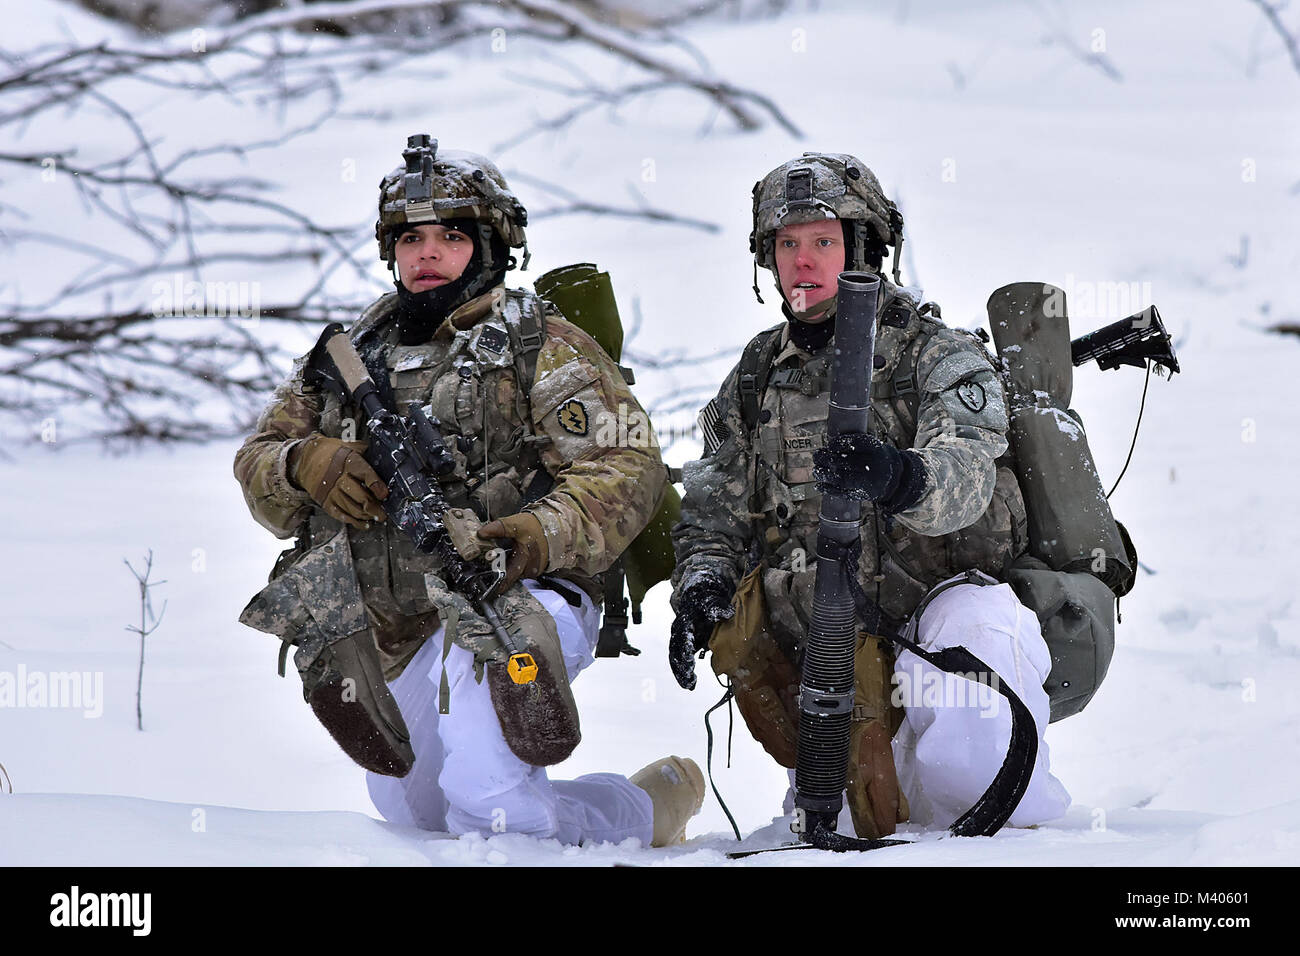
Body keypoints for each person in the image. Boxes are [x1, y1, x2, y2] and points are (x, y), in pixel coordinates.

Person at [234, 134, 704, 847]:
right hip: (406, 622)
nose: (427, 253)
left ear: (491, 245)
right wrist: (304, 462)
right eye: (411, 238)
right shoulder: (350, 354)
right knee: (417, 813)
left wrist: (538, 531)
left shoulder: (537, 340)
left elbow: (626, 466)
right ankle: (640, 811)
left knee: (486, 793)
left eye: (450, 236)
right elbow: (258, 460)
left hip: (524, 594)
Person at [669, 151, 1071, 839]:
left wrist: (896, 475)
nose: (802, 259)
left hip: (937, 624)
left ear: (864, 246)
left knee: (972, 775)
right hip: (829, 642)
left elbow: (968, 475)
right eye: (787, 244)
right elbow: (713, 501)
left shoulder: (935, 354)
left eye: (822, 240)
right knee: (852, 827)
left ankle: (1016, 846)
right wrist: (702, 584)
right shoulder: (756, 374)